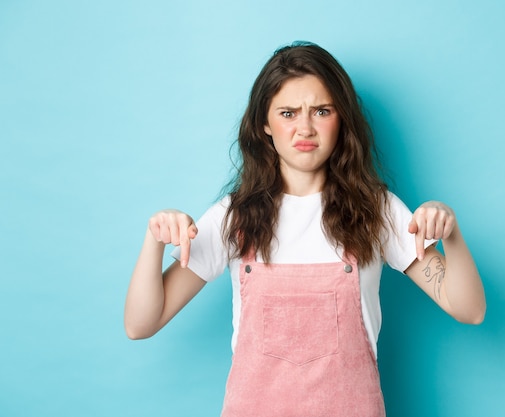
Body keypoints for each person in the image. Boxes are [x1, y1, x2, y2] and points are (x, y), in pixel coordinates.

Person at [124, 41, 486, 417]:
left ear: (341, 119)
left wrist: (451, 235)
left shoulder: (377, 211)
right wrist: (154, 240)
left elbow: (469, 309)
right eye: (288, 113)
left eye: (321, 111)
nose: (305, 128)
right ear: (264, 124)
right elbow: (140, 324)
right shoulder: (235, 217)